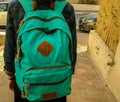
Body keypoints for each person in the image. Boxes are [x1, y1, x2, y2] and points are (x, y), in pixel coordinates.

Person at [3, 0, 77, 102]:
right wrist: (70, 71)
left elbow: (10, 46)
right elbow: (72, 48)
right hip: (58, 81)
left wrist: (10, 74)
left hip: (27, 84)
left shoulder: (17, 6)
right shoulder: (66, 7)